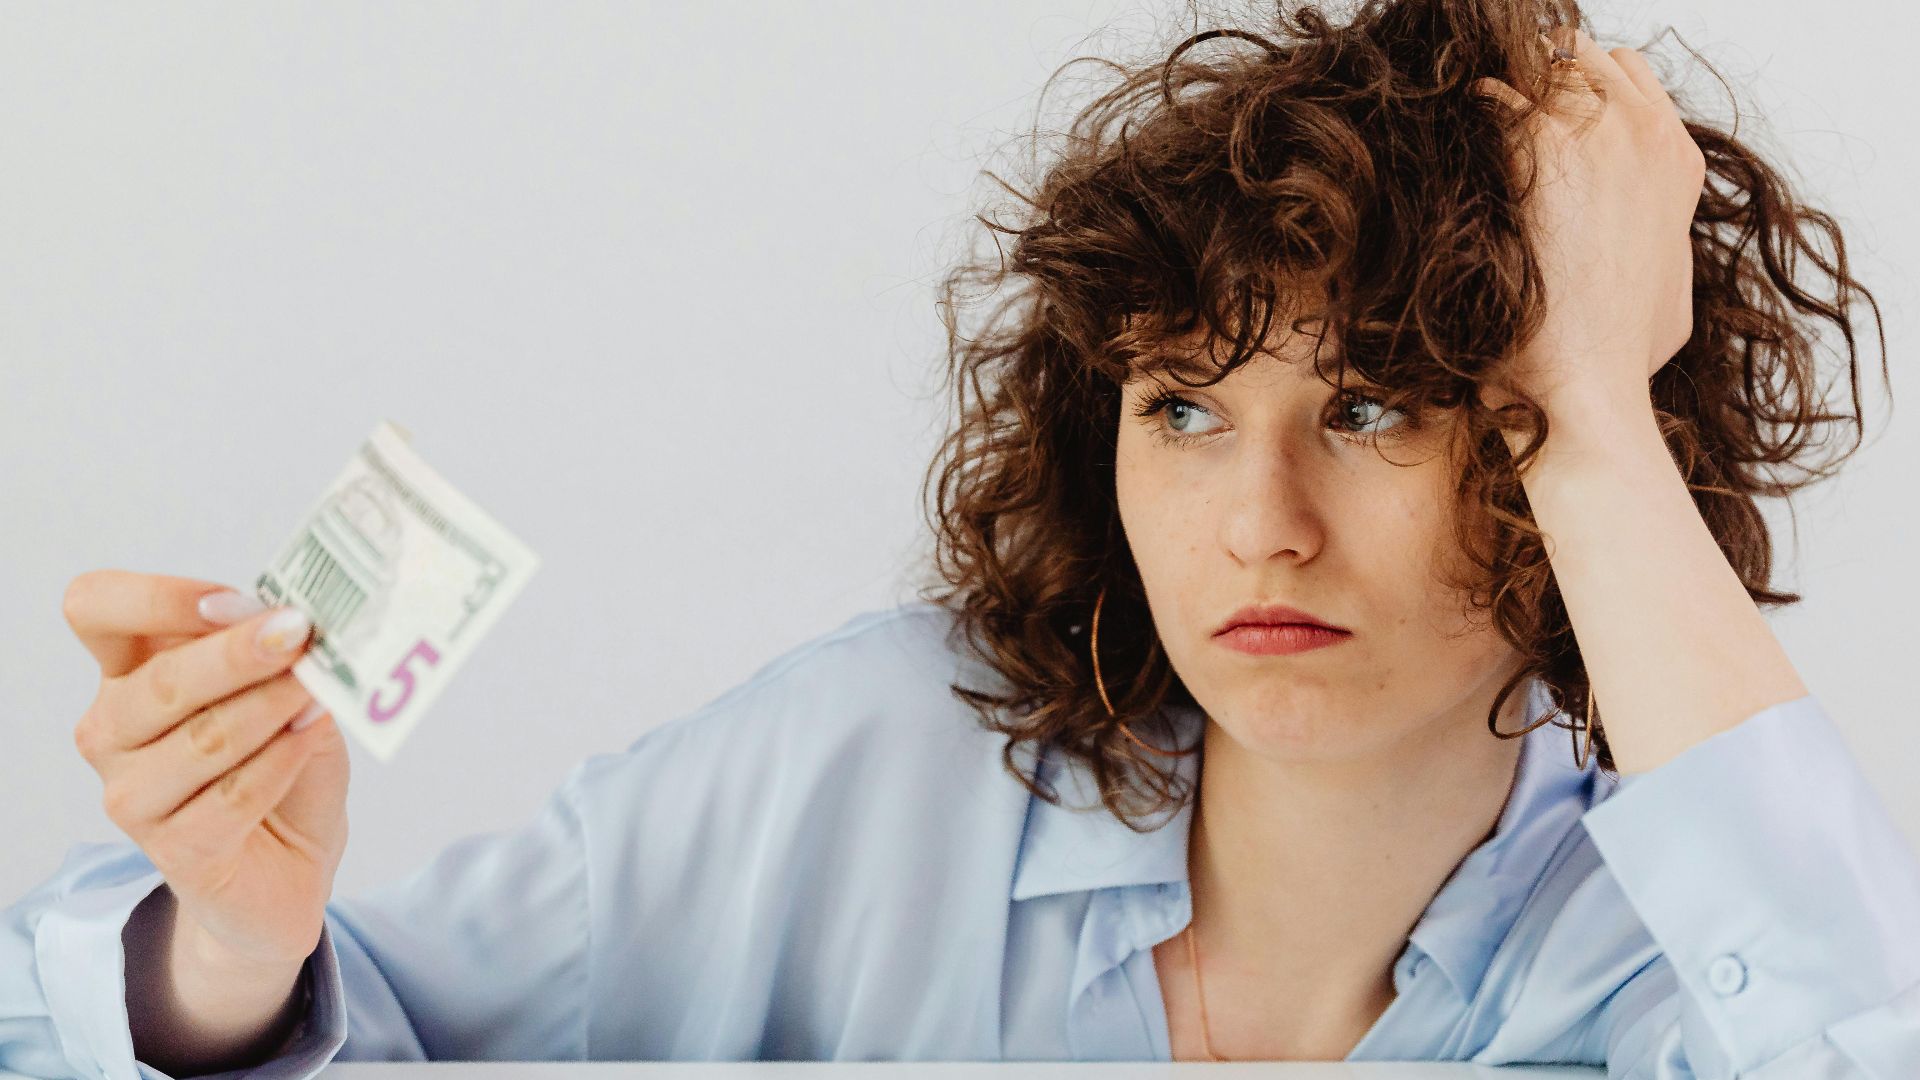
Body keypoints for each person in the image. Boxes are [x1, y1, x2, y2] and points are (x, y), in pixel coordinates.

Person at [4, 1, 1916, 1076]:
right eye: (1183, 408)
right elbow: (133, 1021)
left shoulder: (1664, 961)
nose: (1260, 526)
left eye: (1371, 410)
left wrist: (1587, 403)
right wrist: (236, 959)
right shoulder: (878, 767)